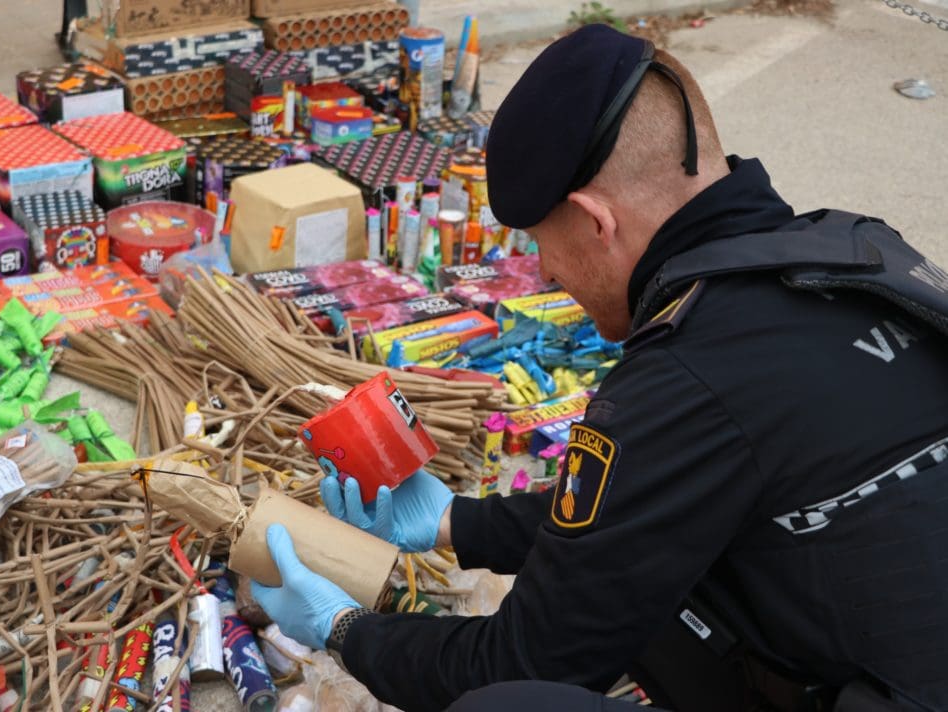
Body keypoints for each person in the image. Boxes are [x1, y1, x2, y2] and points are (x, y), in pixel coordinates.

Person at [250, 23, 948, 712]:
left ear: (595, 222)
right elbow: (642, 508)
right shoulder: (856, 253)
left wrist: (345, 629)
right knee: (645, 590)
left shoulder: (686, 377)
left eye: (541, 244)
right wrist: (458, 522)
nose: (546, 274)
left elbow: (515, 664)